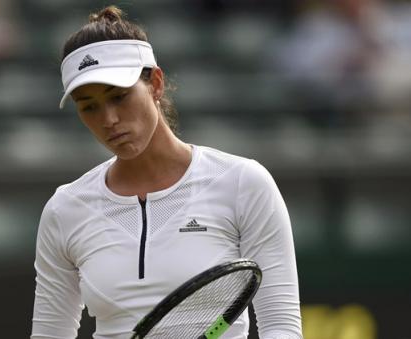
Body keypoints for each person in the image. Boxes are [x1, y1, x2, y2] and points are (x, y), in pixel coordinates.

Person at [32, 5, 302, 339]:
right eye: (89, 107)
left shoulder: (243, 183)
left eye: (119, 96)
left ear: (156, 83)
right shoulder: (64, 210)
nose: (108, 119)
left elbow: (282, 327)